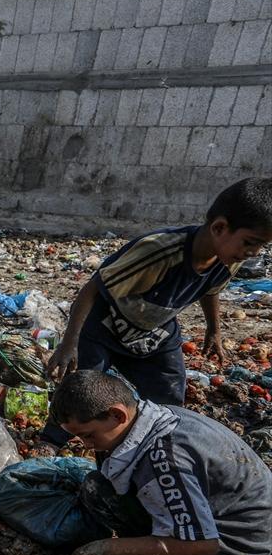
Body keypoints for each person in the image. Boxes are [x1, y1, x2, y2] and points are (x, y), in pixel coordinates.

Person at [42, 178, 272, 445]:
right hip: (105, 329)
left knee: (170, 392)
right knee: (82, 389)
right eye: (250, 242)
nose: (253, 253)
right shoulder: (158, 251)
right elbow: (91, 289)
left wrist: (214, 330)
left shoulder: (227, 259)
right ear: (220, 227)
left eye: (261, 246)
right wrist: (69, 343)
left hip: (155, 333)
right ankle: (51, 441)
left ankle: (158, 443)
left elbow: (211, 290)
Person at [50, 370, 272, 555]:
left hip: (232, 552)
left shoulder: (162, 460)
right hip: (247, 525)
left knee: (98, 490)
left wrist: (108, 548)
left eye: (89, 435)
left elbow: (204, 543)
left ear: (118, 414)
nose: (87, 445)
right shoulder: (154, 415)